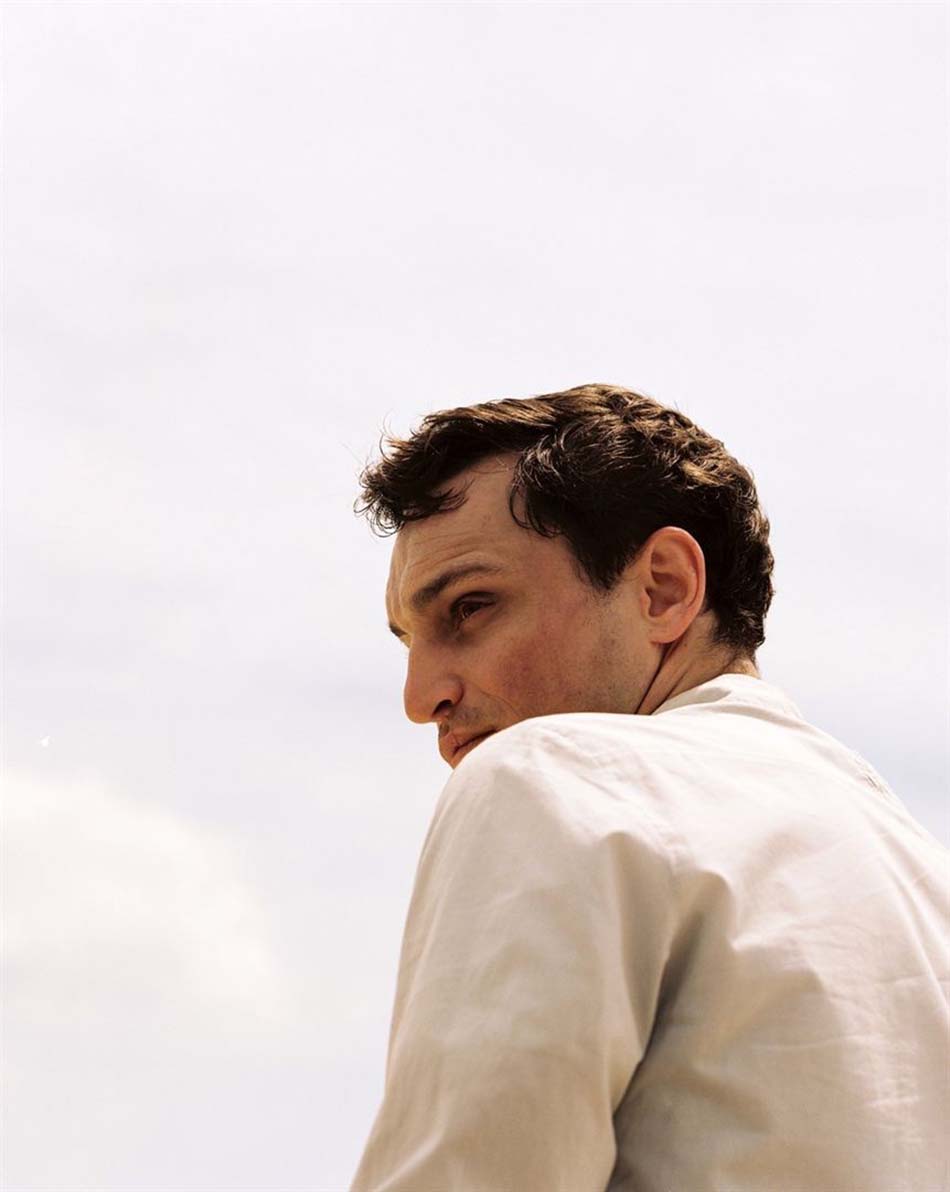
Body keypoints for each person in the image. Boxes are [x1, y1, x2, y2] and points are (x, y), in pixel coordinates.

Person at [349, 382, 948, 1192]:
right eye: (408, 643)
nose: (421, 698)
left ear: (663, 588)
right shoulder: (920, 877)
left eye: (471, 607)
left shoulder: (548, 774)